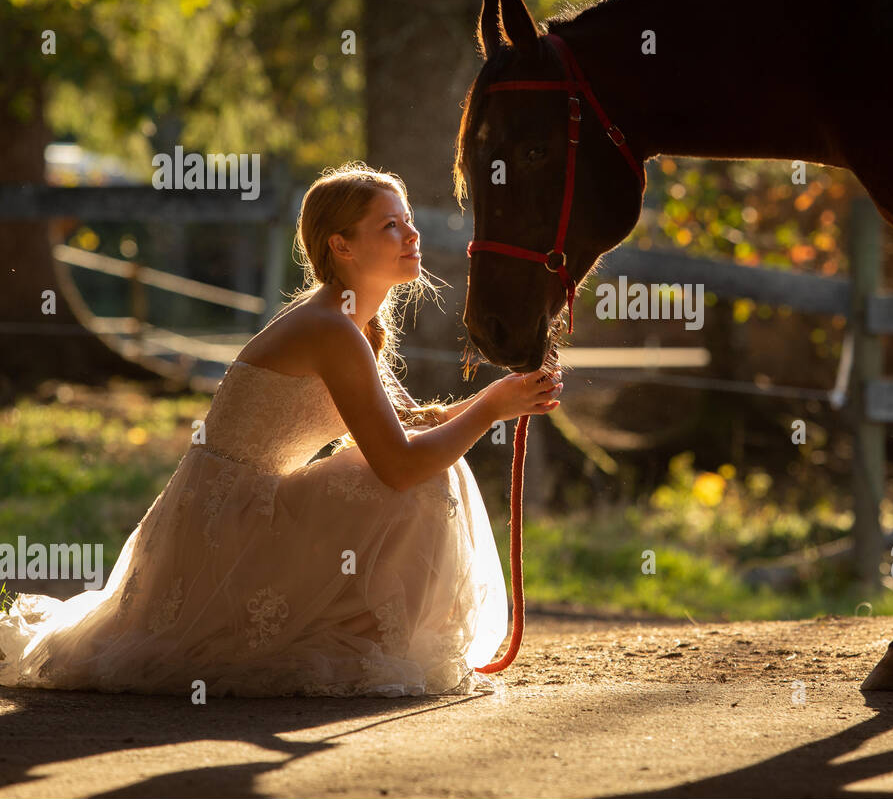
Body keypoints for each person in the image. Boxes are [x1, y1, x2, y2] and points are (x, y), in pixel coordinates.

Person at [0, 162, 560, 698]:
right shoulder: (330, 329)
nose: (411, 233)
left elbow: (411, 426)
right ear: (341, 246)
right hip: (228, 531)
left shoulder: (348, 323)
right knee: (424, 480)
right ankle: (374, 642)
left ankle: (372, 636)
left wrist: (509, 395)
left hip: (245, 515)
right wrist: (489, 409)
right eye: (390, 225)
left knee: (438, 466)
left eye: (408, 219)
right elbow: (400, 463)